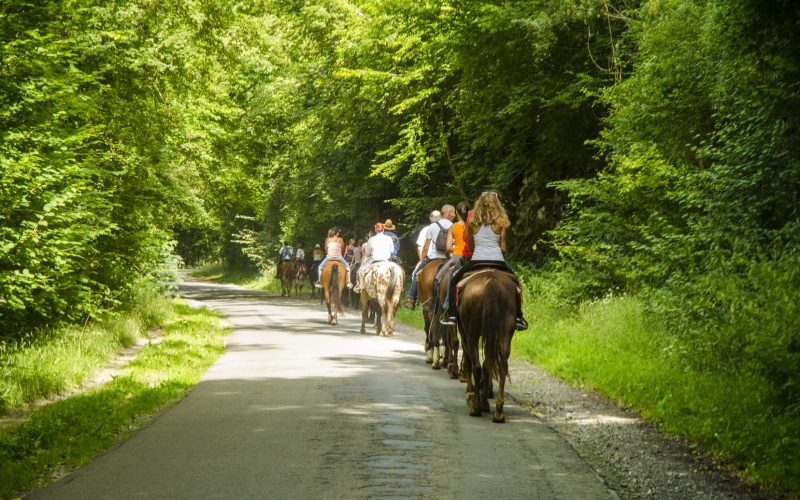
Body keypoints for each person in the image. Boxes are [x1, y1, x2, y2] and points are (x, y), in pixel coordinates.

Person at [440, 191, 528, 330]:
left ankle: (451, 315)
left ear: (479, 205)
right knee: (516, 284)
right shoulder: (502, 222)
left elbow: (470, 246)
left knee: (454, 281)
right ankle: (518, 316)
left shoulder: (473, 223)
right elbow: (503, 247)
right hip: (498, 261)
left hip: (477, 260)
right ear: (497, 205)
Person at [403, 205, 455, 309]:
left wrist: (422, 260)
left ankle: (412, 298)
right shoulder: (453, 225)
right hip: (449, 259)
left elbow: (426, 247)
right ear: (448, 213)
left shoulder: (432, 226)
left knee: (417, 273)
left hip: (433, 257)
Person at [428, 201, 470, 313]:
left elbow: (447, 248)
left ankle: (440, 305)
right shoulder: (473, 225)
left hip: (457, 257)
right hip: (472, 257)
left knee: (437, 278)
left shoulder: (453, 227)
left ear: (456, 213)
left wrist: (450, 253)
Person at [354, 222, 395, 292]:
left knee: (360, 270)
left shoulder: (371, 239)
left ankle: (361, 285)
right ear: (383, 230)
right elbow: (392, 251)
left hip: (374, 260)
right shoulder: (389, 238)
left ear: (376, 230)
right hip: (386, 260)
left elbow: (367, 254)